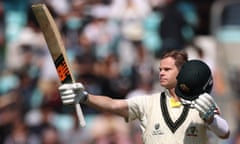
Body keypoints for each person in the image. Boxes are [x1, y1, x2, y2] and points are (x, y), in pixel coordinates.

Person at [58, 50, 230, 144]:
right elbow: (113, 105)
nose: (161, 73)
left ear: (183, 72)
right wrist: (85, 97)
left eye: (167, 70)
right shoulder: (149, 102)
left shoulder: (201, 104)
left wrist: (210, 119)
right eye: (160, 69)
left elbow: (224, 133)